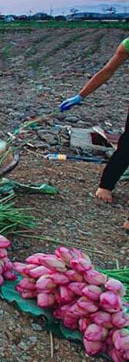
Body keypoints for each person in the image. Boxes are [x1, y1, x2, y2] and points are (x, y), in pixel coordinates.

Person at [60, 37, 129, 227]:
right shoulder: (127, 45)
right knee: (125, 149)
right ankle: (106, 185)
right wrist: (81, 95)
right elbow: (107, 71)